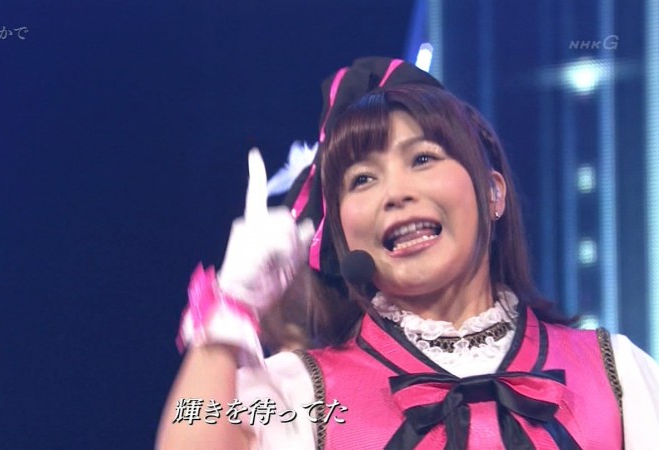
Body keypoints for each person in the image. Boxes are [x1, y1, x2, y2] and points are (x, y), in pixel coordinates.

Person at [156, 57, 659, 449]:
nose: (394, 193)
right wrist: (228, 305)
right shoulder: (303, 391)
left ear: (493, 193)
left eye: (422, 158)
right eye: (362, 180)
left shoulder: (616, 374)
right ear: (343, 235)